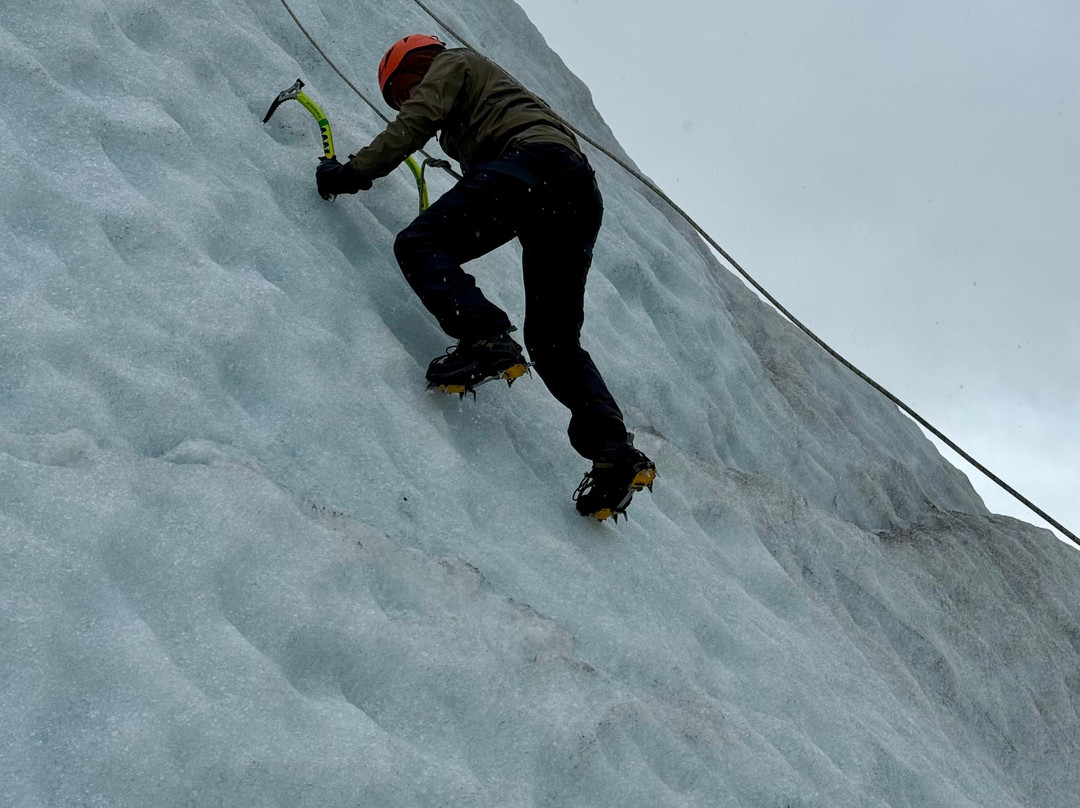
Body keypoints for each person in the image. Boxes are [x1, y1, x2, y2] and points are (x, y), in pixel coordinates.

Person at [316, 35, 655, 520]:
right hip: (571, 193)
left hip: (532, 167)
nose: (405, 100)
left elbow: (417, 121)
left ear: (417, 64)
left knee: (420, 243)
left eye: (402, 90)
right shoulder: (489, 100)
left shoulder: (452, 63)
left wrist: (353, 172)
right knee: (554, 342)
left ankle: (485, 338)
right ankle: (613, 453)